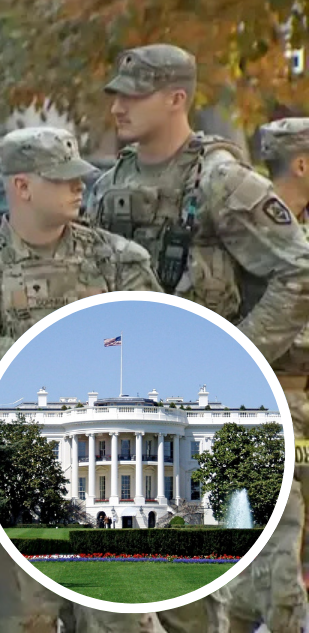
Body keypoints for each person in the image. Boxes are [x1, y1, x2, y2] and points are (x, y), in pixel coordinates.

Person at [89, 43, 309, 633]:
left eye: (134, 95)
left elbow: (299, 270)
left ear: (176, 98)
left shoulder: (221, 181)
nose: (118, 106)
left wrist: (239, 357)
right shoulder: (108, 185)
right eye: (116, 93)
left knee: (192, 595)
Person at [0, 126, 162, 633]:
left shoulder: (117, 259)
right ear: (21, 187)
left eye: (79, 178)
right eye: (61, 179)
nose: (78, 187)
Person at [215, 115, 309, 633]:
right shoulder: (247, 242)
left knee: (259, 571)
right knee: (277, 556)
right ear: (300, 163)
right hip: (260, 409)